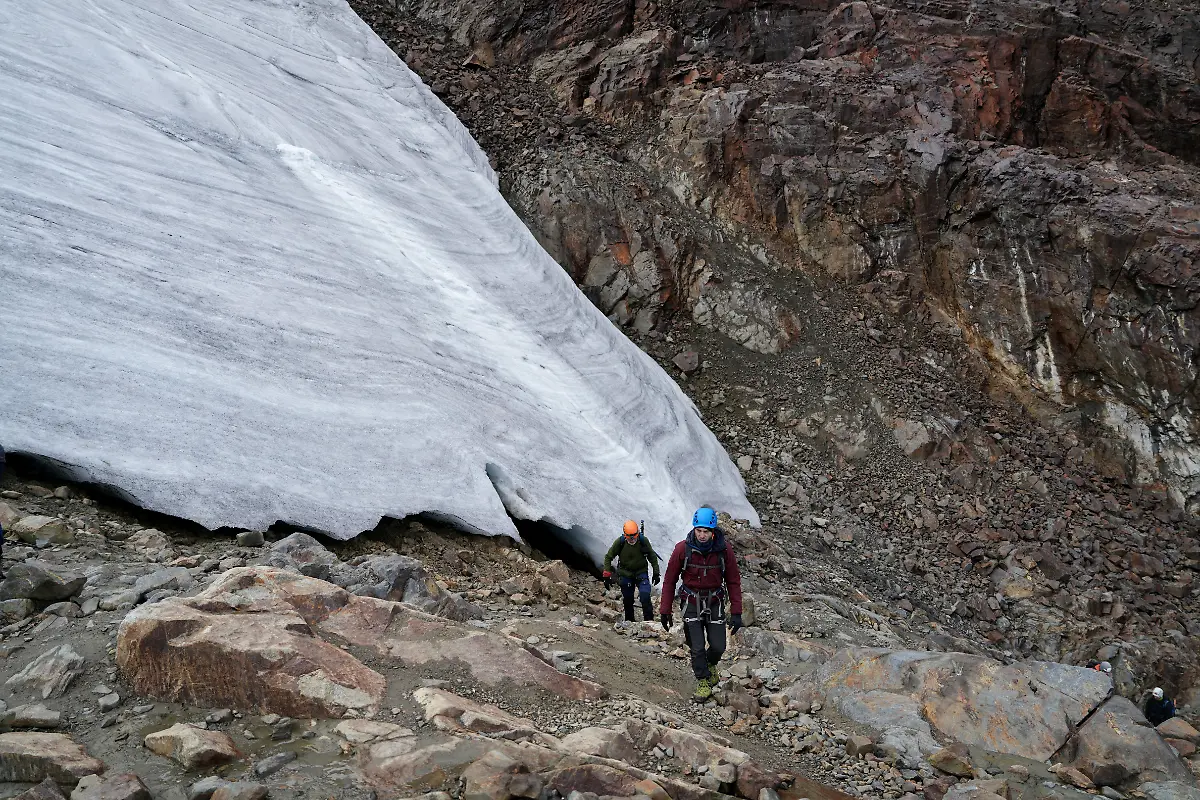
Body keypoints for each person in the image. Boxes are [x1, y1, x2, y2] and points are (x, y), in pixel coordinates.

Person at [659, 507, 743, 703]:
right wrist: (665, 610)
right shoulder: (683, 549)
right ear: (694, 529)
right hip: (691, 602)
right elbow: (670, 580)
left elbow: (733, 581)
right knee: (696, 647)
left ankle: (710, 665)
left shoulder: (724, 550)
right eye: (699, 531)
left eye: (706, 531)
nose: (702, 535)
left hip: (715, 602)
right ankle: (703, 680)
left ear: (713, 531)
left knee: (719, 646)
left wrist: (737, 611)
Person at [601, 520, 661, 623]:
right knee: (628, 599)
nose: (632, 539)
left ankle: (649, 621)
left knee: (645, 595)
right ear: (625, 535)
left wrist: (656, 573)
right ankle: (629, 621)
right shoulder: (620, 542)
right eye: (629, 536)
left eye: (634, 536)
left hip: (641, 572)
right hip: (625, 574)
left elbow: (652, 556)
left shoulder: (643, 541)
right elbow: (608, 557)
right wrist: (607, 574)